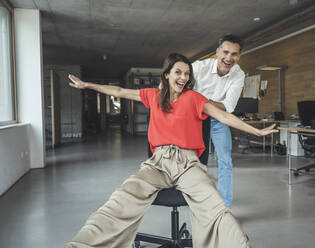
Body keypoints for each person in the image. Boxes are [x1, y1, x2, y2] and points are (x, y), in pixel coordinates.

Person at [65, 53, 277, 248]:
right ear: (167, 75)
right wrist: (87, 85)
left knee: (217, 209)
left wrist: (256, 132)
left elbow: (224, 116)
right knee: (121, 199)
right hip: (157, 164)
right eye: (178, 72)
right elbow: (119, 91)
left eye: (187, 73)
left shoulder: (194, 98)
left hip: (189, 165)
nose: (183, 77)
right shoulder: (154, 96)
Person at [192, 34, 245, 207]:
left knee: (225, 160)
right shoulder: (199, 67)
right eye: (225, 52)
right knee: (194, 160)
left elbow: (228, 106)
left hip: (218, 119)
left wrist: (202, 101)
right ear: (217, 52)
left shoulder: (239, 75)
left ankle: (224, 206)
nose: (229, 58)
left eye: (234, 54)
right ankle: (196, 200)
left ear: (239, 56)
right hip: (195, 118)